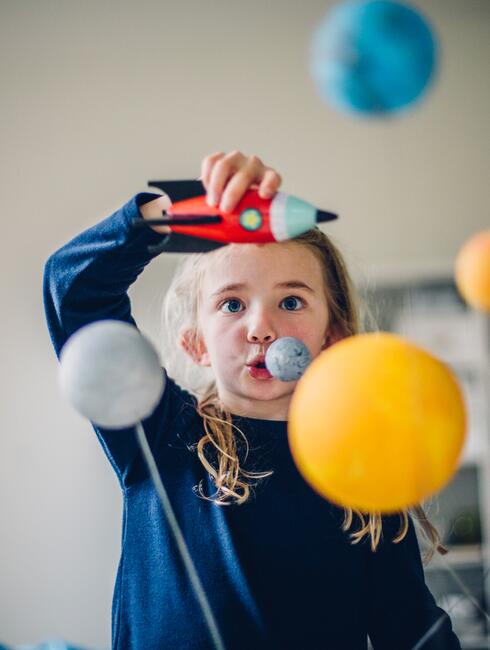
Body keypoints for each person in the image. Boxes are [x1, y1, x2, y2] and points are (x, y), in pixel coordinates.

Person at [43, 151, 461, 649]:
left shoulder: (367, 475)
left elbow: (412, 631)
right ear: (196, 343)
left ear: (331, 336)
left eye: (291, 301)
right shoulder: (161, 432)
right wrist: (173, 213)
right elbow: (73, 291)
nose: (261, 328)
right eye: (232, 304)